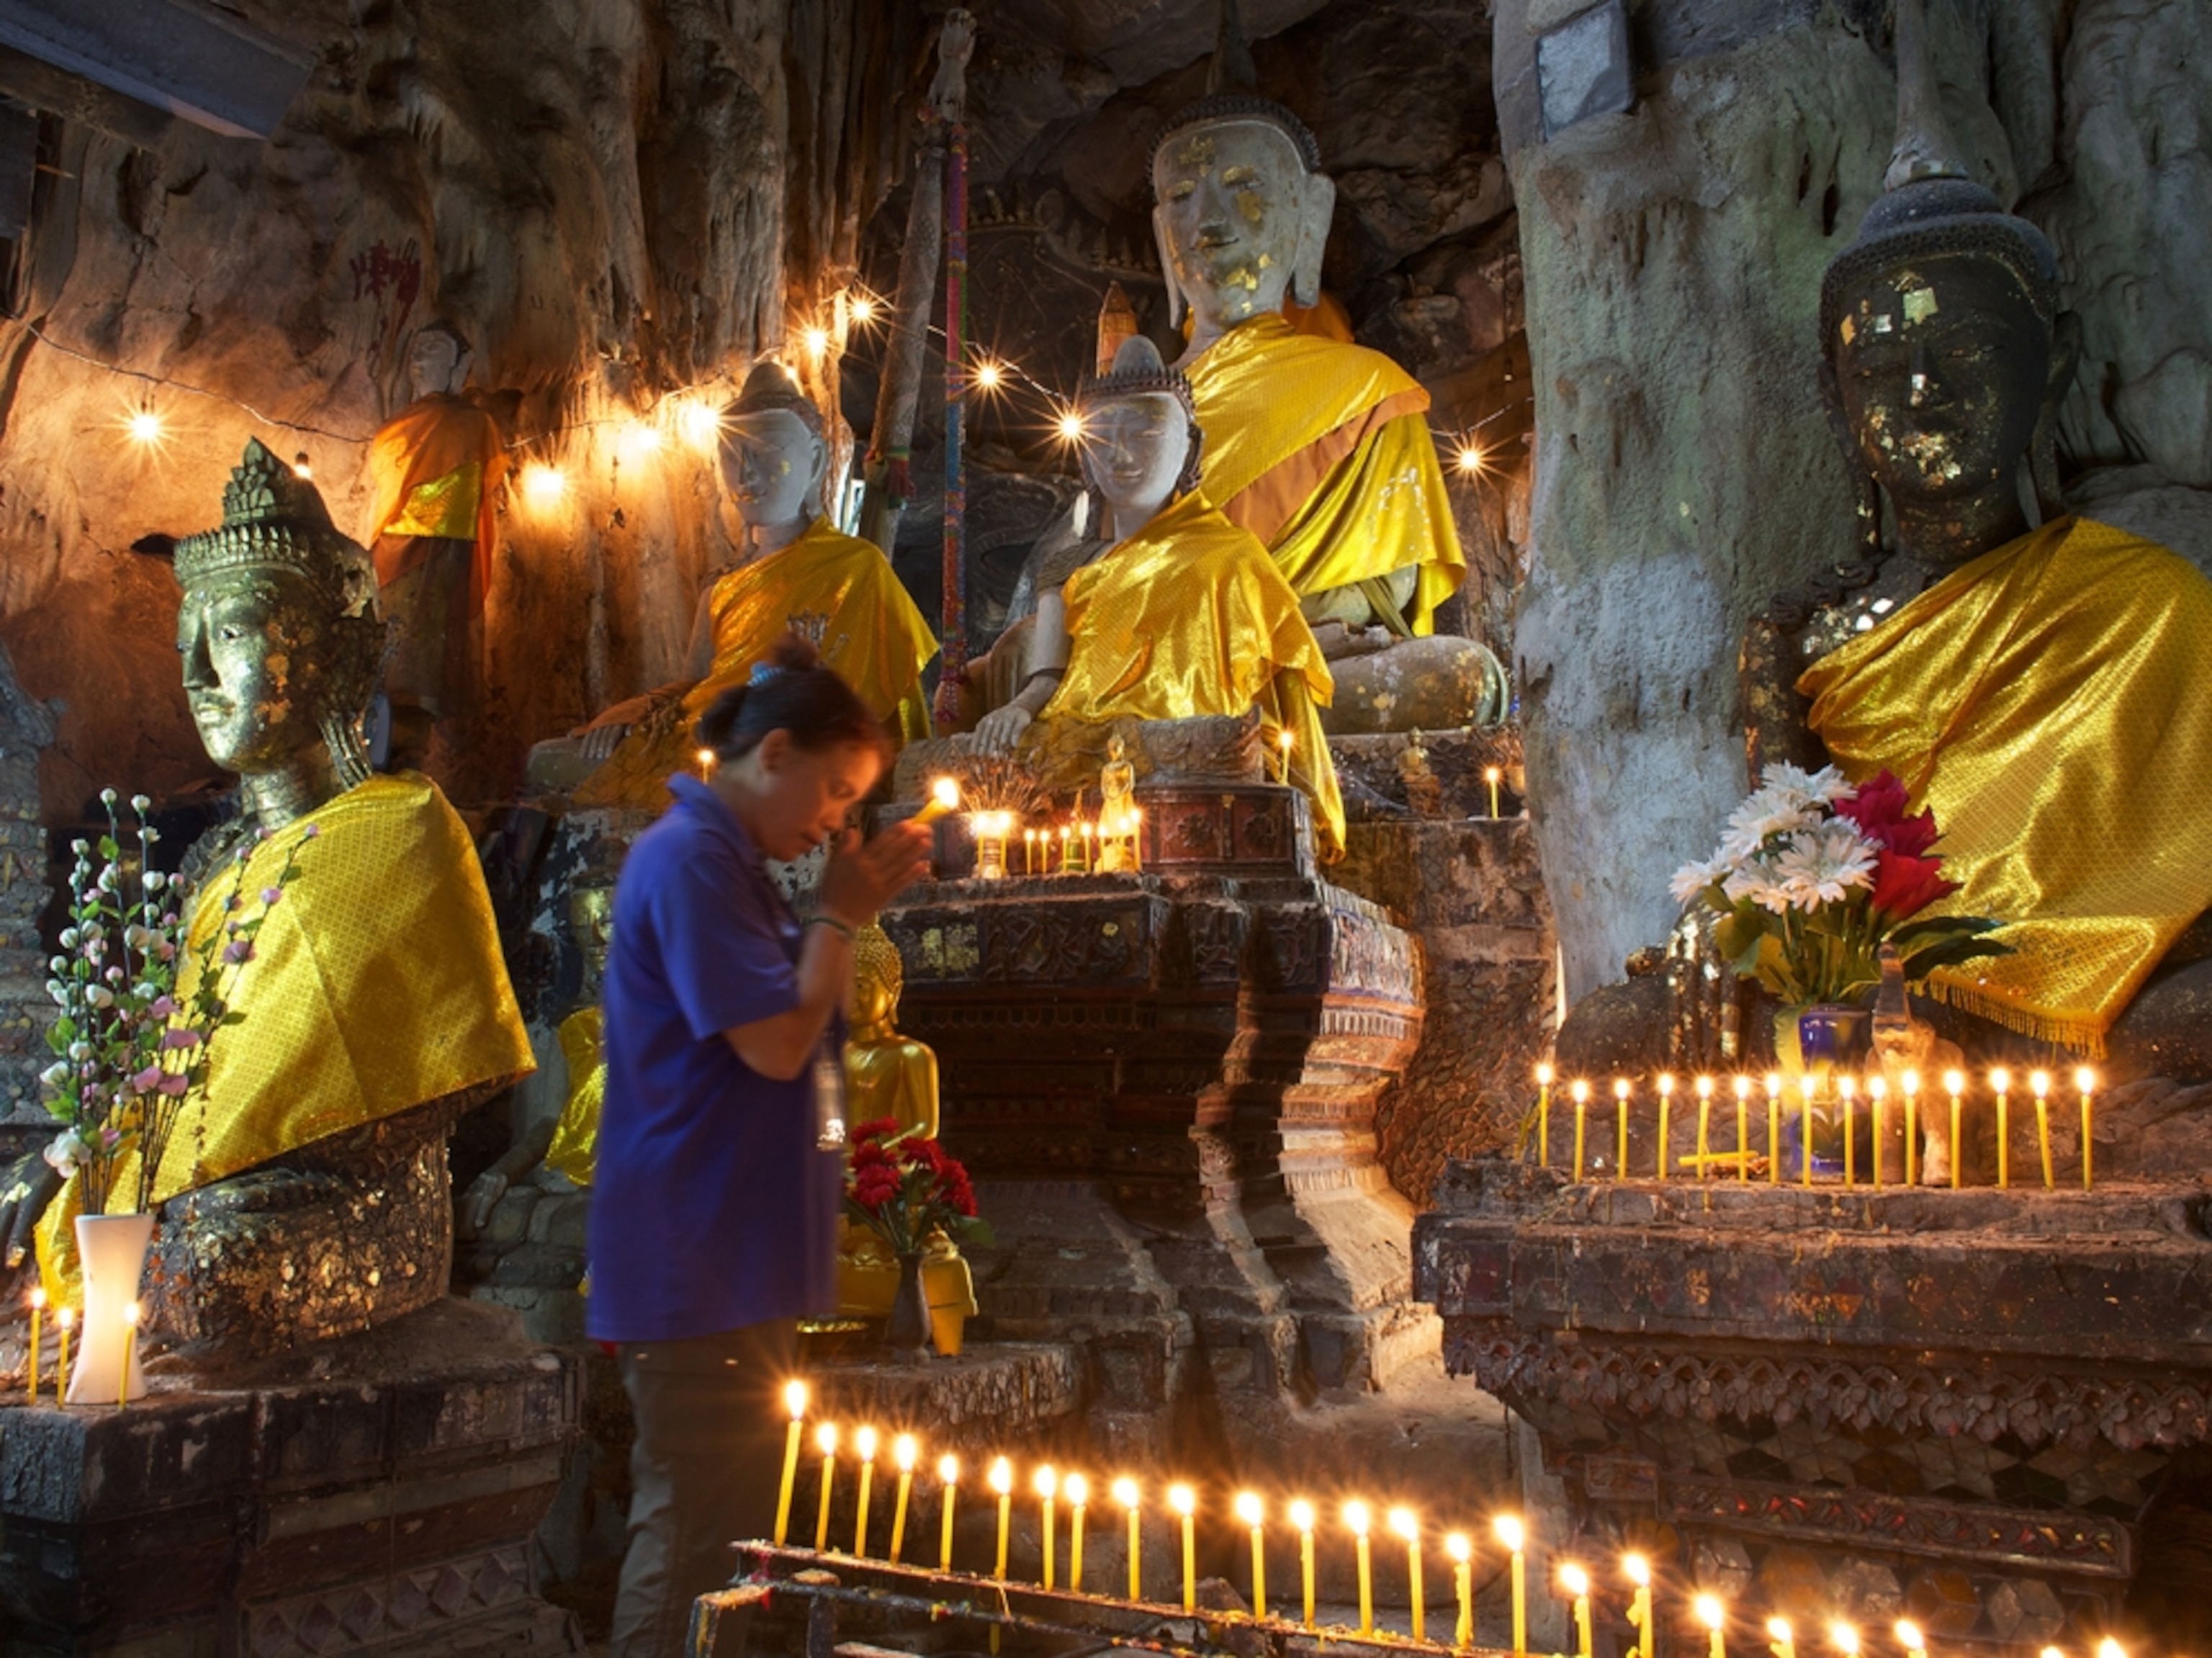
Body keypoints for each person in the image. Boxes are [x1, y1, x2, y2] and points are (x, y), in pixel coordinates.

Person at [587, 635, 932, 1658]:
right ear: (772, 753)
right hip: (699, 1255)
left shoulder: (729, 863)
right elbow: (779, 1044)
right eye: (831, 789)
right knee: (695, 1527)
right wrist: (839, 914)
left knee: (731, 1537)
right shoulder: (692, 860)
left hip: (734, 1254)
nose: (836, 820)